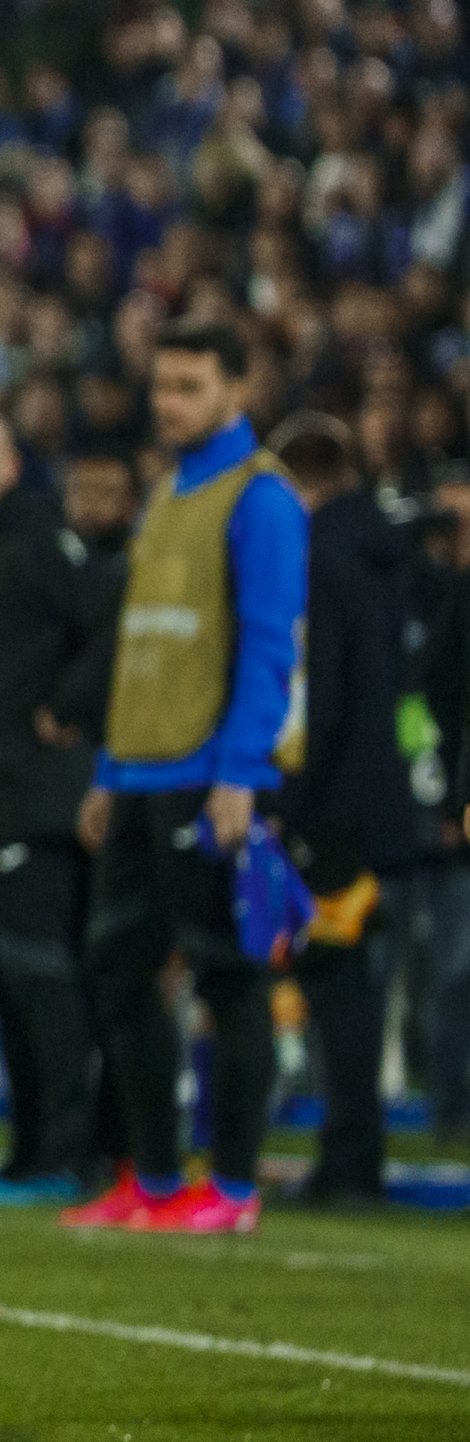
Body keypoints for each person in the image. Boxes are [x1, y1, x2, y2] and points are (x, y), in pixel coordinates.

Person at [63, 319, 308, 1237]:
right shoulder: (166, 491)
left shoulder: (262, 499)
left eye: (189, 388)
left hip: (210, 773)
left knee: (227, 979)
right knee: (117, 972)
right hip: (137, 773)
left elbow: (270, 643)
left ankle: (234, 1187)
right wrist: (106, 768)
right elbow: (143, 649)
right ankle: (157, 1178)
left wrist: (241, 772)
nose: (169, 404)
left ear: (236, 391)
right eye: (161, 387)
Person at [0, 403, 120, 1203]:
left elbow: (115, 627)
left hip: (34, 808)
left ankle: (66, 1154)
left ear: (10, 467)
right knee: (4, 988)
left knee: (42, 980)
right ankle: (30, 1148)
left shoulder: (44, 548)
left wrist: (69, 709)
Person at [269, 413, 414, 1207]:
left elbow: (313, 699)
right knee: (352, 981)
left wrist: (289, 805)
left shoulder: (318, 558)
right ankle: (354, 1150)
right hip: (380, 797)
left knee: (335, 984)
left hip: (331, 807)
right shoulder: (384, 551)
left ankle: (350, 1160)